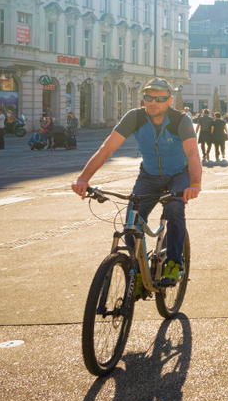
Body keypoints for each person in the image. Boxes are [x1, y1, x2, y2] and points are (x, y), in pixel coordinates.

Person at [71, 78, 202, 289]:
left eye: (159, 98)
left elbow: (193, 153)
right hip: (148, 176)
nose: (153, 102)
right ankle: (137, 271)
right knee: (131, 223)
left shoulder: (180, 120)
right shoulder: (135, 117)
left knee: (175, 209)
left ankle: (174, 264)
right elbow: (107, 148)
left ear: (169, 100)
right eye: (148, 97)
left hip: (179, 173)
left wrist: (194, 184)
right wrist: (83, 179)